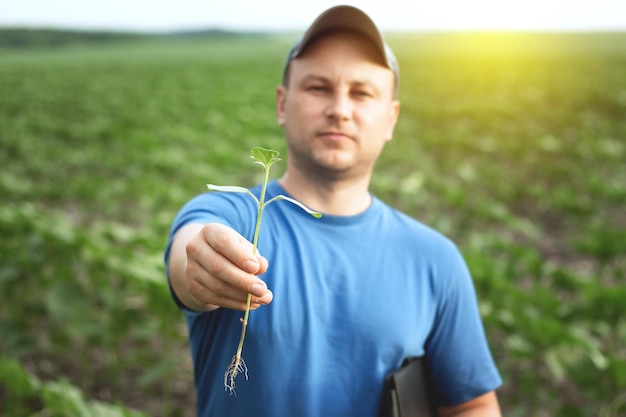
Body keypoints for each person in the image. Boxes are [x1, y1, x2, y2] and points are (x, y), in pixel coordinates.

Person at [165, 5, 502, 417]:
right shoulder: (234, 216)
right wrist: (201, 268)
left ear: (390, 118)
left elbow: (472, 405)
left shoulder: (435, 259)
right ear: (282, 104)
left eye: (362, 93)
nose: (340, 109)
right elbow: (191, 251)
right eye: (319, 88)